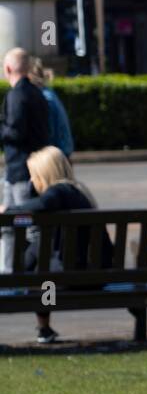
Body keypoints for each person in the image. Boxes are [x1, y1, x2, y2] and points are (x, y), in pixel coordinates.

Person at [3, 145, 110, 343]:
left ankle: (18, 287)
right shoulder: (79, 192)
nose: (31, 181)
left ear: (44, 175)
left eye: (33, 176)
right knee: (41, 258)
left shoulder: (58, 192)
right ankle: (43, 328)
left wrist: (8, 209)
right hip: (96, 278)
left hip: (68, 281)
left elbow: (41, 205)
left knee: (40, 271)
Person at [0, 47, 50, 274]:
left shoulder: (16, 95)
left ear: (8, 68)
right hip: (33, 168)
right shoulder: (36, 93)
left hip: (20, 170)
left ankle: (14, 274)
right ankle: (20, 272)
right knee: (20, 224)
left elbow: (15, 133)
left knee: (21, 225)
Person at [30, 60, 74, 157]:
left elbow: (49, 135)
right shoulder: (49, 94)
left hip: (57, 157)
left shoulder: (45, 99)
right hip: (62, 153)